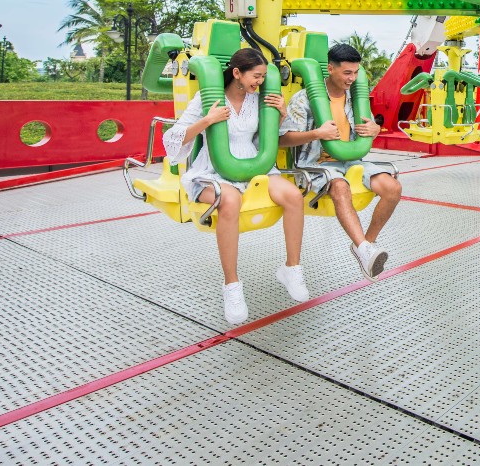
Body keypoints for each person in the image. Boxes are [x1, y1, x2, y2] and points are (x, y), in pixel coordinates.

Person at [162, 47, 309, 325]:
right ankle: (232, 286)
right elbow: (174, 139)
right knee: (229, 200)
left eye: (264, 77)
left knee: (293, 195)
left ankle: (292, 268)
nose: (261, 82)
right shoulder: (208, 98)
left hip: (254, 166)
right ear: (237, 73)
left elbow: (273, 137)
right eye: (256, 76)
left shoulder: (259, 99)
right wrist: (207, 120)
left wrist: (279, 113)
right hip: (213, 170)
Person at [279, 43, 402, 280]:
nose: (352, 78)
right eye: (347, 73)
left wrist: (375, 129)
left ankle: (366, 247)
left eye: (356, 73)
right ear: (330, 69)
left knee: (393, 187)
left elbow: (369, 128)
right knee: (340, 186)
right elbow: (283, 140)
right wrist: (316, 134)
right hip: (318, 164)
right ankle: (365, 250)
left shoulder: (356, 98)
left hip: (351, 160)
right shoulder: (304, 99)